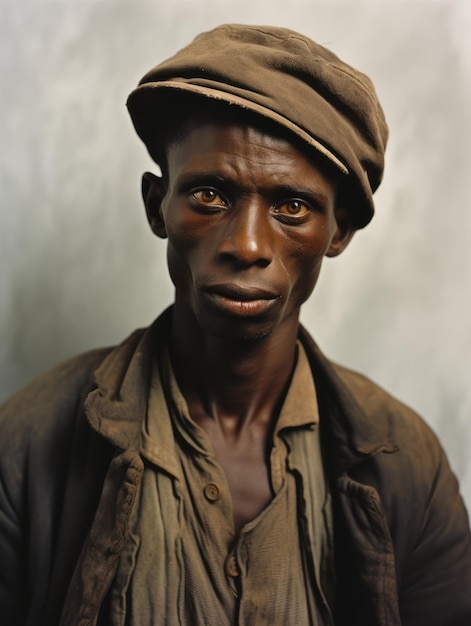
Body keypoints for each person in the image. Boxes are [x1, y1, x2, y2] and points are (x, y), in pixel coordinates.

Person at [0, 23, 470, 626]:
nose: (247, 244)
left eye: (291, 206)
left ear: (339, 231)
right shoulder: (27, 446)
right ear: (156, 206)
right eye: (210, 195)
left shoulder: (407, 465)